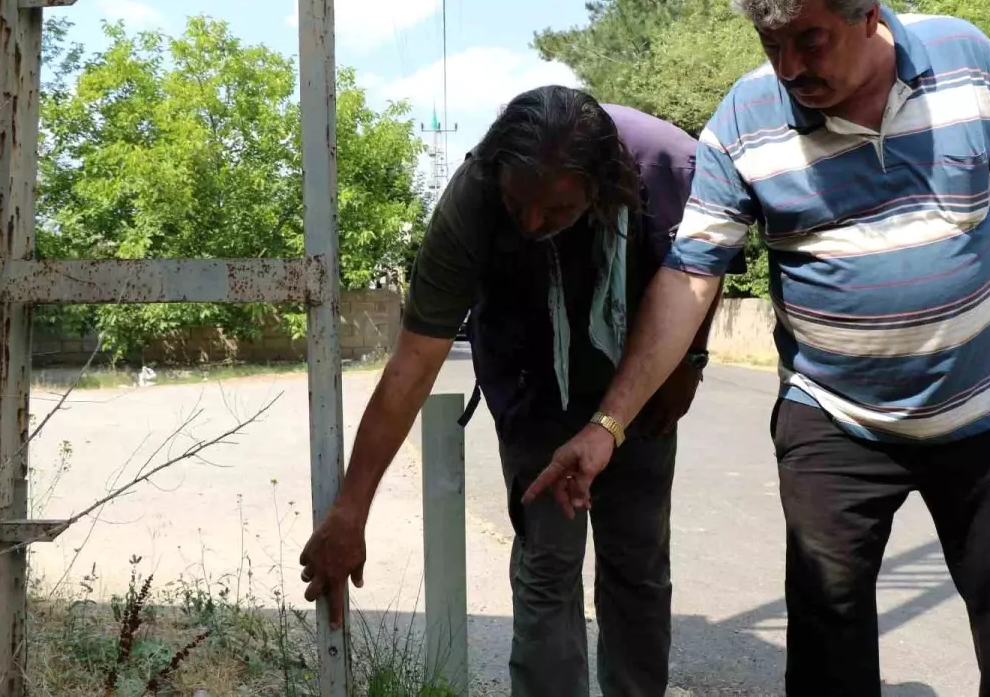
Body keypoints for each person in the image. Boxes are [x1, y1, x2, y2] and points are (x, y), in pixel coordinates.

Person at [525, 0, 990, 697]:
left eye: (807, 40)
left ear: (869, 13)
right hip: (835, 421)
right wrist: (609, 424)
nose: (786, 66)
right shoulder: (745, 119)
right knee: (826, 655)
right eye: (769, 43)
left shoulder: (967, 60)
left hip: (984, 410)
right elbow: (689, 277)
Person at [298, 85, 723, 697]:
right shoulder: (472, 200)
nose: (530, 223)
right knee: (548, 562)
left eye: (553, 210)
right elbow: (413, 363)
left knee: (637, 565)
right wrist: (350, 509)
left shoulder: (669, 169)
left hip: (642, 385)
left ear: (600, 186)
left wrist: (691, 363)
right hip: (533, 388)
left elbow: (698, 282)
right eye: (516, 203)